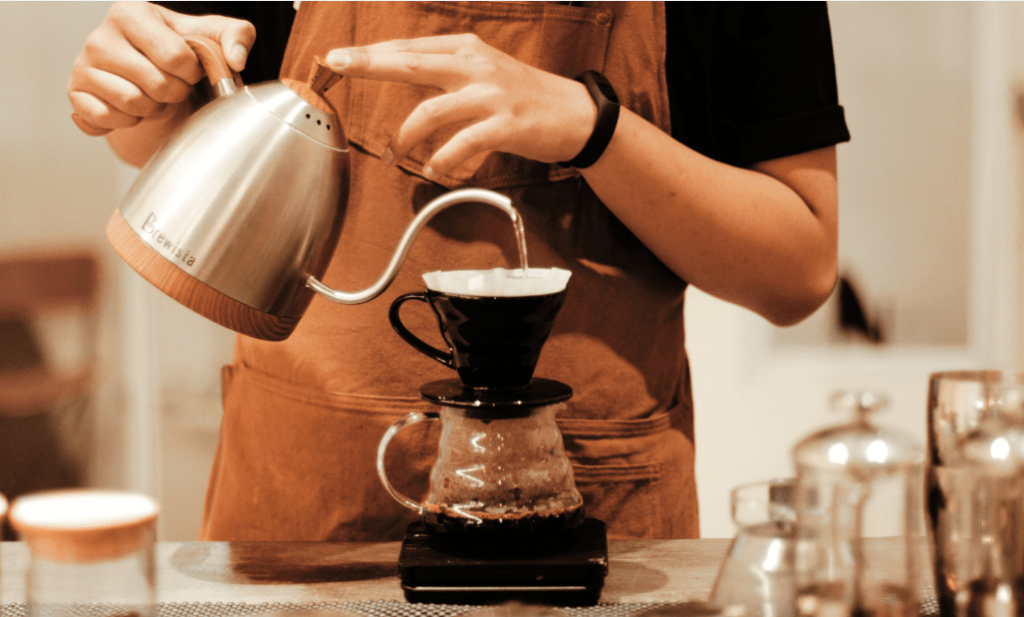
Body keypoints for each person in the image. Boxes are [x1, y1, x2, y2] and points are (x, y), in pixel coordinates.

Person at [69, 2, 850, 541]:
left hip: (591, 521)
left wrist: (594, 129)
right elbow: (165, 124)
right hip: (301, 512)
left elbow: (797, 266)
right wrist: (136, 86)